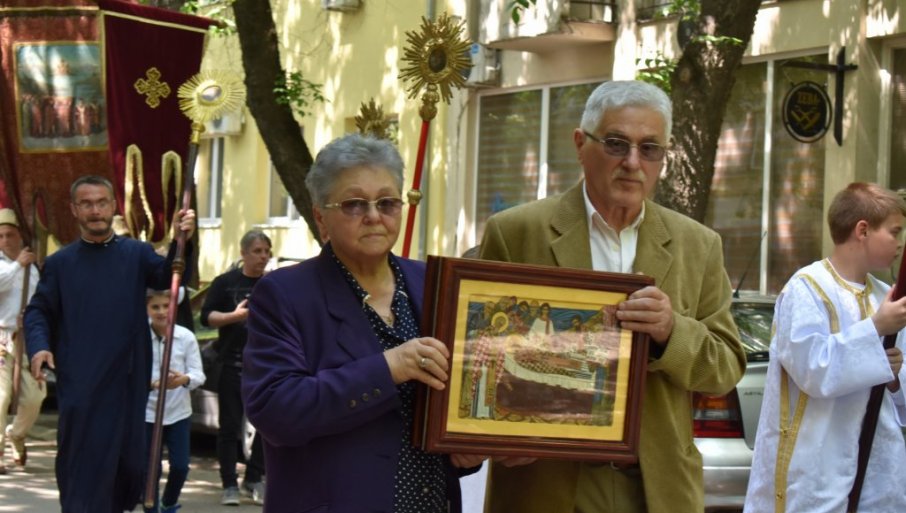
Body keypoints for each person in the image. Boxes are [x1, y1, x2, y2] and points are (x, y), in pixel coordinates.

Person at [479, 80, 746, 513]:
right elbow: (478, 359)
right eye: (617, 144)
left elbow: (726, 367)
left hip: (656, 489)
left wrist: (671, 332)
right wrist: (495, 433)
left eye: (649, 148)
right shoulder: (516, 232)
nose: (632, 162)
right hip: (546, 483)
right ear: (580, 144)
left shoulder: (698, 245)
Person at [241, 133, 484, 513]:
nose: (374, 216)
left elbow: (454, 401)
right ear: (320, 216)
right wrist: (389, 368)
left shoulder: (433, 283)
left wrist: (466, 450)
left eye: (387, 202)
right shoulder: (285, 293)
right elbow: (276, 412)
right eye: (354, 204)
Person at [24, 175, 195, 513]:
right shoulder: (60, 263)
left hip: (127, 382)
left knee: (128, 467)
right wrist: (40, 346)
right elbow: (38, 310)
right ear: (74, 209)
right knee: (81, 467)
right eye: (86, 204)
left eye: (101, 202)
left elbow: (169, 275)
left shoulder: (136, 254)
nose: (95, 211)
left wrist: (182, 242)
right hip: (82, 383)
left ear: (113, 206)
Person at [744, 182, 906, 513]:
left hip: (877, 476)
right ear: (863, 230)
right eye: (894, 232)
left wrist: (894, 379)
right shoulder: (806, 289)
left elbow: (898, 379)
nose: (900, 242)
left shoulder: (885, 296)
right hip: (815, 471)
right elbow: (812, 370)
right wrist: (876, 328)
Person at [200, 230, 271, 506]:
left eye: (266, 251)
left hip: (265, 367)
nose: (263, 256)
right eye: (257, 251)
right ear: (243, 253)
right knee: (229, 427)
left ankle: (253, 479)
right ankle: (229, 483)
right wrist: (235, 316)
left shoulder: (273, 284)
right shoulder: (225, 283)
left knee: (267, 425)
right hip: (232, 364)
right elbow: (206, 317)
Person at [144, 288, 205, 513]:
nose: (161, 312)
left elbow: (198, 374)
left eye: (165, 306)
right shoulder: (140, 337)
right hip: (148, 413)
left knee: (180, 466)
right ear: (146, 309)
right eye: (155, 307)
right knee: (150, 469)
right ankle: (150, 508)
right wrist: (152, 384)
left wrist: (183, 379)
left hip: (178, 412)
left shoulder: (185, 337)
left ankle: (168, 503)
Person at [0, 208, 44, 473]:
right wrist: (18, 265)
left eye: (10, 235)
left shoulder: (33, 268)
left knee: (34, 397)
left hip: (27, 339)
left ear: (19, 236)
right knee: (1, 396)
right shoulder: (9, 265)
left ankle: (16, 434)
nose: (5, 240)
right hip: (2, 337)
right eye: (1, 236)